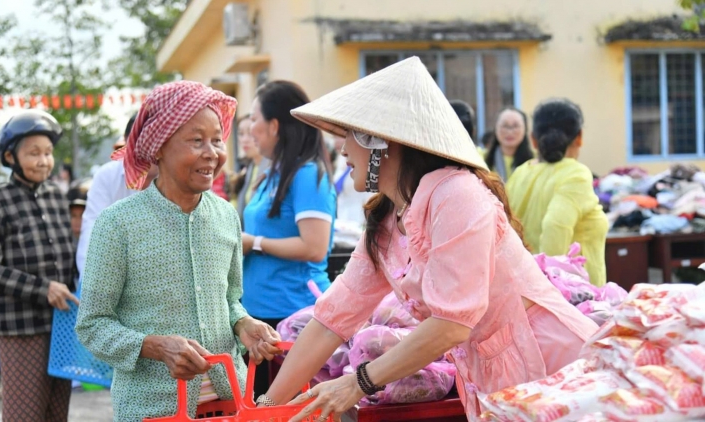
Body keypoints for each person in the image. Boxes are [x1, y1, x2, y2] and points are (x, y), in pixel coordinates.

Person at [256, 57, 598, 422]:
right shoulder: (389, 220)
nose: (341, 150)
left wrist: (357, 383)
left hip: (556, 366)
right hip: (495, 378)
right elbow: (330, 320)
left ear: (379, 141)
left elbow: (452, 324)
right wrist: (264, 409)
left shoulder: (457, 195)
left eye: (349, 136)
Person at [76, 81, 282, 422]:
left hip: (231, 402)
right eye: (196, 140)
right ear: (158, 148)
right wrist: (155, 346)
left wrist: (244, 324)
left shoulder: (226, 216)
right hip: (152, 409)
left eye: (217, 139)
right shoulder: (118, 224)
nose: (212, 153)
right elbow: (93, 325)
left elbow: (230, 300)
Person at [0, 110, 78, 422]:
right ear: (10, 156)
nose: (44, 161)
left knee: (57, 413)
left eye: (47, 153)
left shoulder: (57, 197)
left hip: (61, 324)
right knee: (25, 415)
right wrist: (43, 289)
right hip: (21, 328)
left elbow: (69, 256)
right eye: (34, 153)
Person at [241, 80, 337, 397]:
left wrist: (253, 243)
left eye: (254, 119)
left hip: (292, 316)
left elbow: (314, 246)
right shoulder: (272, 174)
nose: (250, 128)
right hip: (260, 316)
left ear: (275, 125)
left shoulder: (308, 174)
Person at [506, 98, 608, 286]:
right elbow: (555, 226)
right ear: (579, 137)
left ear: (533, 140)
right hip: (575, 299)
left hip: (526, 290)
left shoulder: (520, 174)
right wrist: (554, 290)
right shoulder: (575, 174)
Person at [75, 112, 158, 278]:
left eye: (154, 143)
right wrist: (91, 281)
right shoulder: (107, 176)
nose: (148, 153)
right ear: (127, 146)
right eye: (140, 145)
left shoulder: (181, 178)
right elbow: (93, 233)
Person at [232, 114, 270, 222]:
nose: (244, 140)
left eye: (250, 133)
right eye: (240, 134)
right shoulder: (248, 169)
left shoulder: (272, 168)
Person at [332, 133, 374, 227]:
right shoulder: (341, 162)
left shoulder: (365, 166)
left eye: (341, 137)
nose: (337, 142)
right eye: (334, 137)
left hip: (358, 224)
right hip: (341, 222)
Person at [484, 107, 534, 181]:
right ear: (495, 128)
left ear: (525, 129)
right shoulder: (481, 159)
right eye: (505, 126)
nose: (510, 131)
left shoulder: (536, 160)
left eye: (515, 126)